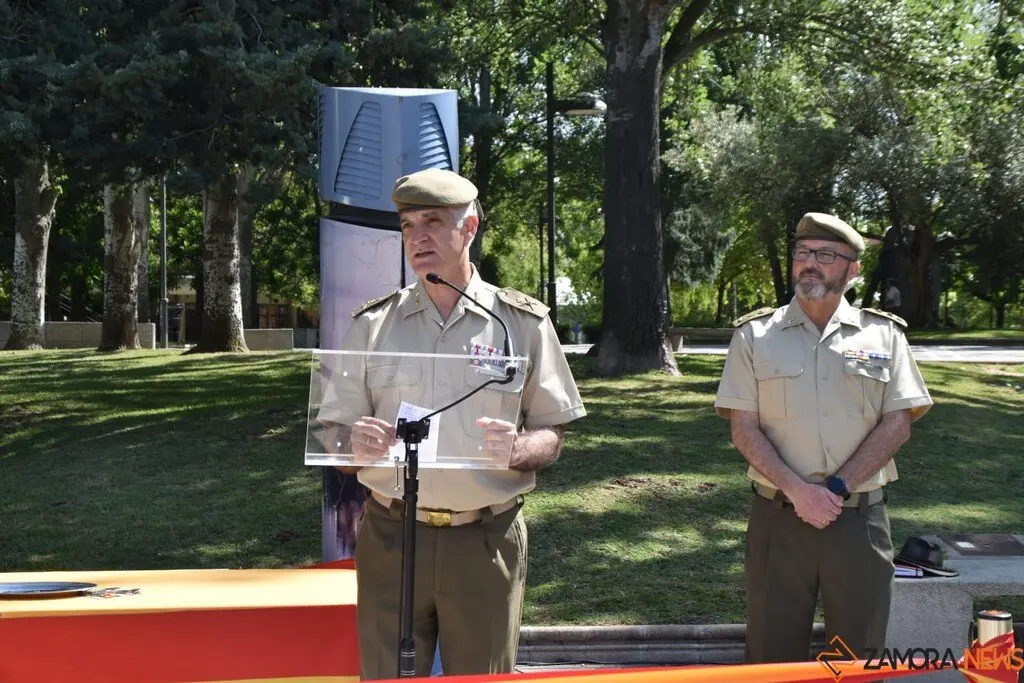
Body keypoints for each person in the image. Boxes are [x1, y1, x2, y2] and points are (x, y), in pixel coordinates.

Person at [320, 168, 586, 679]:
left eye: (433, 222)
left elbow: (553, 434)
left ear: (469, 229)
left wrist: (518, 448)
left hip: (484, 540)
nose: (417, 237)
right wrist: (353, 443)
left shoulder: (521, 323)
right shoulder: (373, 325)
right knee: (385, 676)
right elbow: (333, 433)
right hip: (392, 536)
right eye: (407, 225)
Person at [714, 212, 933, 663]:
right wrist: (799, 492)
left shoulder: (884, 335)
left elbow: (898, 423)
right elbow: (743, 427)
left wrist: (834, 489)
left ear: (853, 270)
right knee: (771, 660)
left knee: (857, 658)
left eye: (826, 256)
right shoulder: (755, 335)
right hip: (778, 520)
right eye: (802, 253)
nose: (809, 264)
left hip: (858, 522)